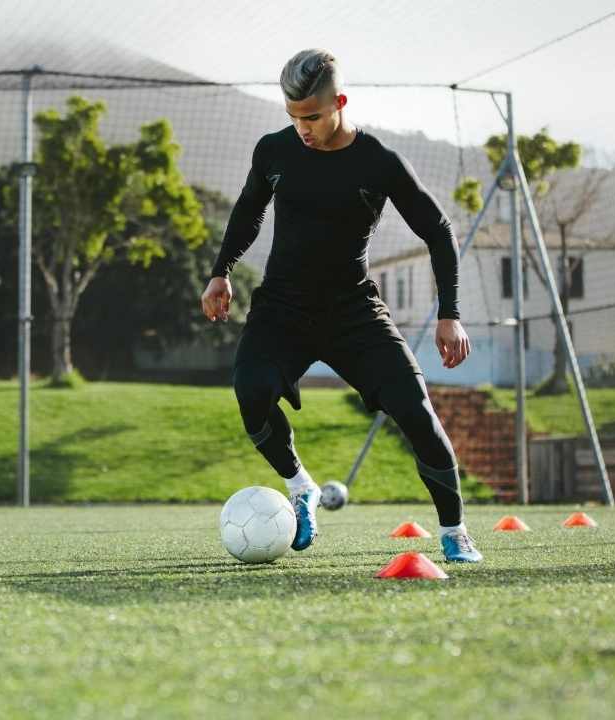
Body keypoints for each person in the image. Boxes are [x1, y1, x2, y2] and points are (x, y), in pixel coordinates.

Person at [200, 49, 482, 562]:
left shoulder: (378, 162)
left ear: (339, 103)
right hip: (282, 307)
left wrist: (450, 313)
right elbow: (248, 212)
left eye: (312, 116)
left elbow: (439, 231)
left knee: (417, 412)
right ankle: (300, 486)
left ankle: (454, 531)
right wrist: (220, 272)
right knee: (251, 391)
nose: (303, 128)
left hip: (354, 311)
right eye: (293, 116)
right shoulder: (274, 152)